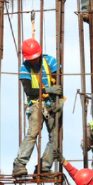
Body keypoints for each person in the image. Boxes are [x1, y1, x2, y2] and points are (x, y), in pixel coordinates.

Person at [13, 38, 62, 176]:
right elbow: (29, 91)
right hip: (35, 104)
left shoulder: (51, 62)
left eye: (35, 58)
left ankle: (44, 167)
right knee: (33, 133)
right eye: (31, 59)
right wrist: (48, 90)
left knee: (55, 137)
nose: (33, 61)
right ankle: (19, 164)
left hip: (51, 104)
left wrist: (60, 98)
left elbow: (58, 82)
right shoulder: (24, 68)